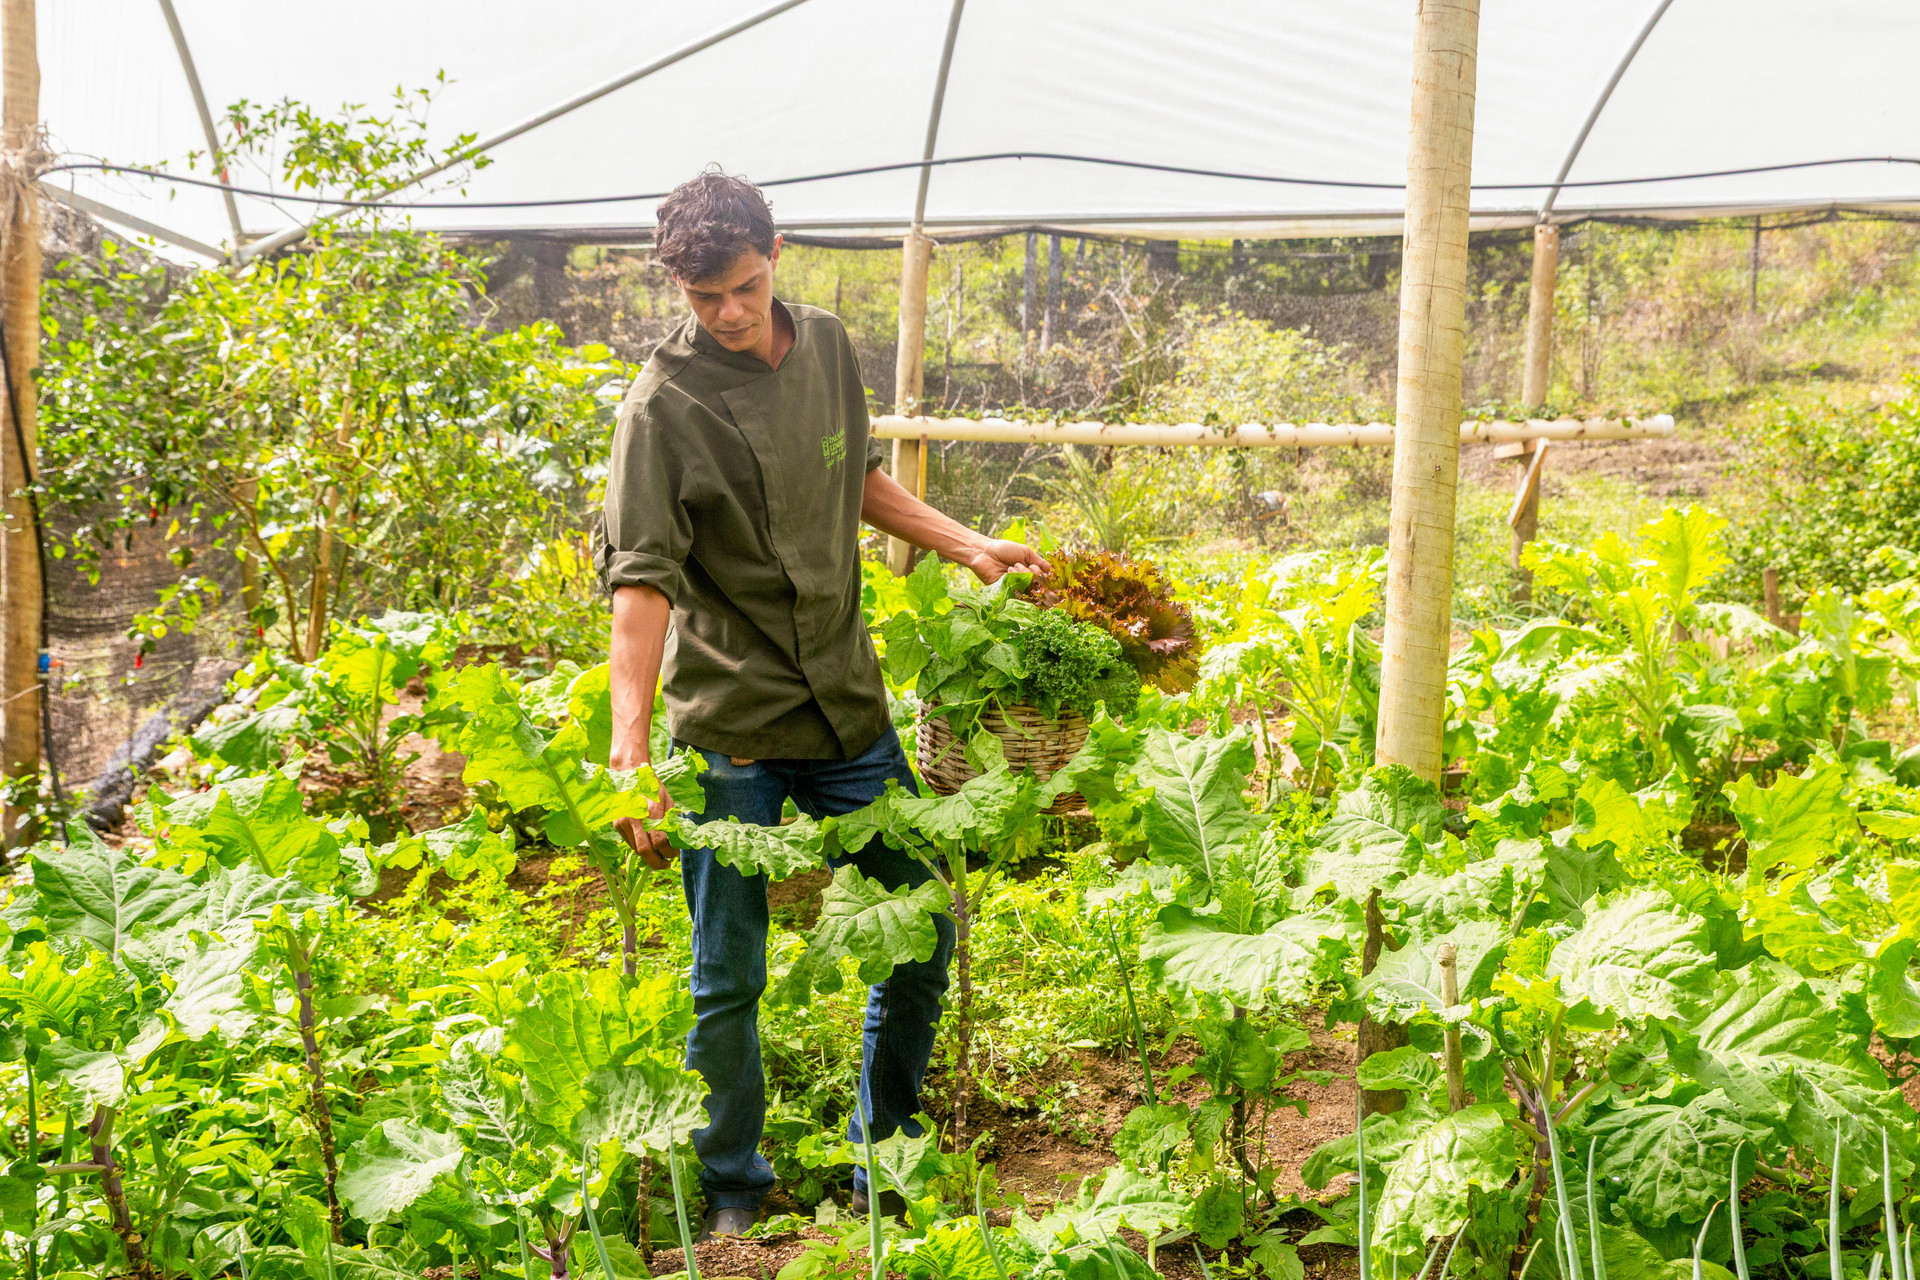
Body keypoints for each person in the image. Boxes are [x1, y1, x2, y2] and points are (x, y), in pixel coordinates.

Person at [597, 169, 1047, 1240]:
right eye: (705, 299)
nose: (730, 313)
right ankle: (735, 1187)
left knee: (918, 929)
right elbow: (641, 587)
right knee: (727, 974)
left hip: (847, 701)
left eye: (744, 287)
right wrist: (628, 756)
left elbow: (856, 478)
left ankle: (879, 1154)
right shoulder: (662, 407)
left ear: (777, 252)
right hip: (732, 721)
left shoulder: (833, 347)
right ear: (680, 288)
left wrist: (967, 543)